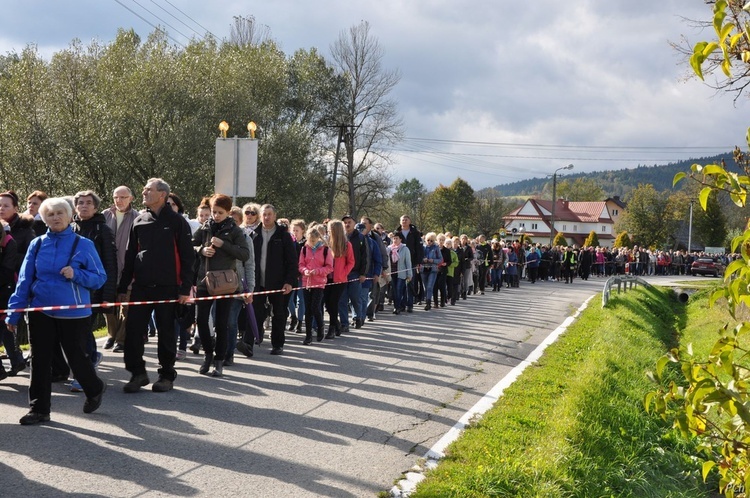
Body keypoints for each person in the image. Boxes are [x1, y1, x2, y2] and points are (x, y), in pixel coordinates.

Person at [6, 197, 107, 425]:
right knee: (39, 359)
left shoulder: (84, 244)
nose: (55, 217)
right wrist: (14, 312)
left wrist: (77, 274)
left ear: (70, 216)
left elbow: (100, 278)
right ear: (45, 218)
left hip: (73, 311)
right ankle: (39, 409)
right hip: (40, 309)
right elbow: (24, 280)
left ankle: (95, 388)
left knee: (76, 357)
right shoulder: (38, 243)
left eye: (60, 213)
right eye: (50, 214)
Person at [118, 178, 195, 393]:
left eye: (148, 190)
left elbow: (189, 258)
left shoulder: (178, 222)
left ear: (162, 194)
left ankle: (166, 375)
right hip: (141, 287)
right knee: (133, 332)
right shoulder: (139, 220)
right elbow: (130, 255)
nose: (143, 192)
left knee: (166, 332)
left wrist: (184, 289)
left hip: (168, 287)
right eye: (143, 189)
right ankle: (138, 373)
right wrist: (123, 288)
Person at [192, 194, 250, 377]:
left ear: (228, 212)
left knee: (222, 323)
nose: (216, 215)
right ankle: (208, 355)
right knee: (201, 320)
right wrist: (202, 249)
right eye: (214, 212)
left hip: (225, 282)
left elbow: (244, 254)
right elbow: (190, 244)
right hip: (204, 280)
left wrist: (223, 244)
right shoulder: (206, 226)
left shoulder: (235, 230)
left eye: (220, 212)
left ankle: (219, 360)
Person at [67, 190, 118, 392]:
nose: (84, 206)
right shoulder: (69, 228)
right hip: (70, 289)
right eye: (80, 203)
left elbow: (110, 264)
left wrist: (108, 294)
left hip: (93, 289)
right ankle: (90, 359)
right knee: (76, 333)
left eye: (89, 203)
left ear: (96, 207)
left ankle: (84, 375)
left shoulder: (102, 229)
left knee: (84, 333)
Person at [237, 204, 297, 357]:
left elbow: (292, 261)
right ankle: (248, 344)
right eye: (264, 214)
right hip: (257, 282)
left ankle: (278, 344)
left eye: (269, 214)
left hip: (278, 283)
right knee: (254, 312)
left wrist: (289, 281)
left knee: (279, 313)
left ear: (275, 216)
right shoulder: (253, 234)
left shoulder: (283, 235)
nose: (266, 217)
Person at [103, 186, 139, 353]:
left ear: (131, 198)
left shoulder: (138, 217)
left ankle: (121, 339)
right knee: (108, 306)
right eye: (116, 197)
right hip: (108, 269)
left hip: (128, 269)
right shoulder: (105, 215)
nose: (119, 200)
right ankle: (111, 334)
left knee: (126, 307)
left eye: (123, 197)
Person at [298, 225, 333, 344]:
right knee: (307, 309)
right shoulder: (304, 249)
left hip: (319, 283)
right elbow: (301, 264)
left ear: (318, 238)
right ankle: (308, 335)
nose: (311, 243)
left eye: (313, 241)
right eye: (309, 240)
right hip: (306, 282)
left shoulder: (325, 250)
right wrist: (305, 271)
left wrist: (318, 271)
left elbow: (329, 267)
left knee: (315, 307)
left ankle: (320, 327)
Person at [323, 220, 354, 339]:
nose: (328, 231)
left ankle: (331, 328)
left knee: (333, 302)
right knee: (327, 303)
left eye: (330, 229)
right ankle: (336, 323)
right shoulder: (326, 243)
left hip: (339, 279)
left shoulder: (346, 245)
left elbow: (351, 262)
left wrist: (343, 273)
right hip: (326, 278)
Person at [339, 215, 368, 331]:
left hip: (355, 273)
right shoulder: (340, 237)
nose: (347, 224)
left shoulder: (360, 237)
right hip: (341, 273)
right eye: (345, 222)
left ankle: (358, 317)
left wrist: (363, 273)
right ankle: (344, 323)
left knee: (355, 298)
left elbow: (365, 257)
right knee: (342, 299)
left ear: (354, 223)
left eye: (349, 222)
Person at [0, 224, 21, 378]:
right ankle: (15, 361)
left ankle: (16, 360)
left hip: (5, 290)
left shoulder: (8, 241)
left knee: (6, 328)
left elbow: (7, 270)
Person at [388, 232, 412, 314]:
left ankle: (397, 307)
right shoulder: (389, 249)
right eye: (393, 238)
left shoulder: (405, 249)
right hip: (392, 273)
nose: (395, 240)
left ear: (400, 239)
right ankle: (399, 305)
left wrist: (409, 274)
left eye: (397, 238)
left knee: (399, 290)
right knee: (394, 291)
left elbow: (408, 262)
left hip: (401, 274)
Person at [420, 232, 443, 311]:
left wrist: (433, 260)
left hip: (432, 269)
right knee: (425, 287)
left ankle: (428, 303)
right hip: (423, 269)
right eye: (428, 240)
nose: (429, 242)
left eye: (431, 241)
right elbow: (419, 258)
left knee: (430, 286)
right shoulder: (422, 247)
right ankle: (427, 299)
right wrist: (423, 259)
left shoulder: (436, 248)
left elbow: (440, 259)